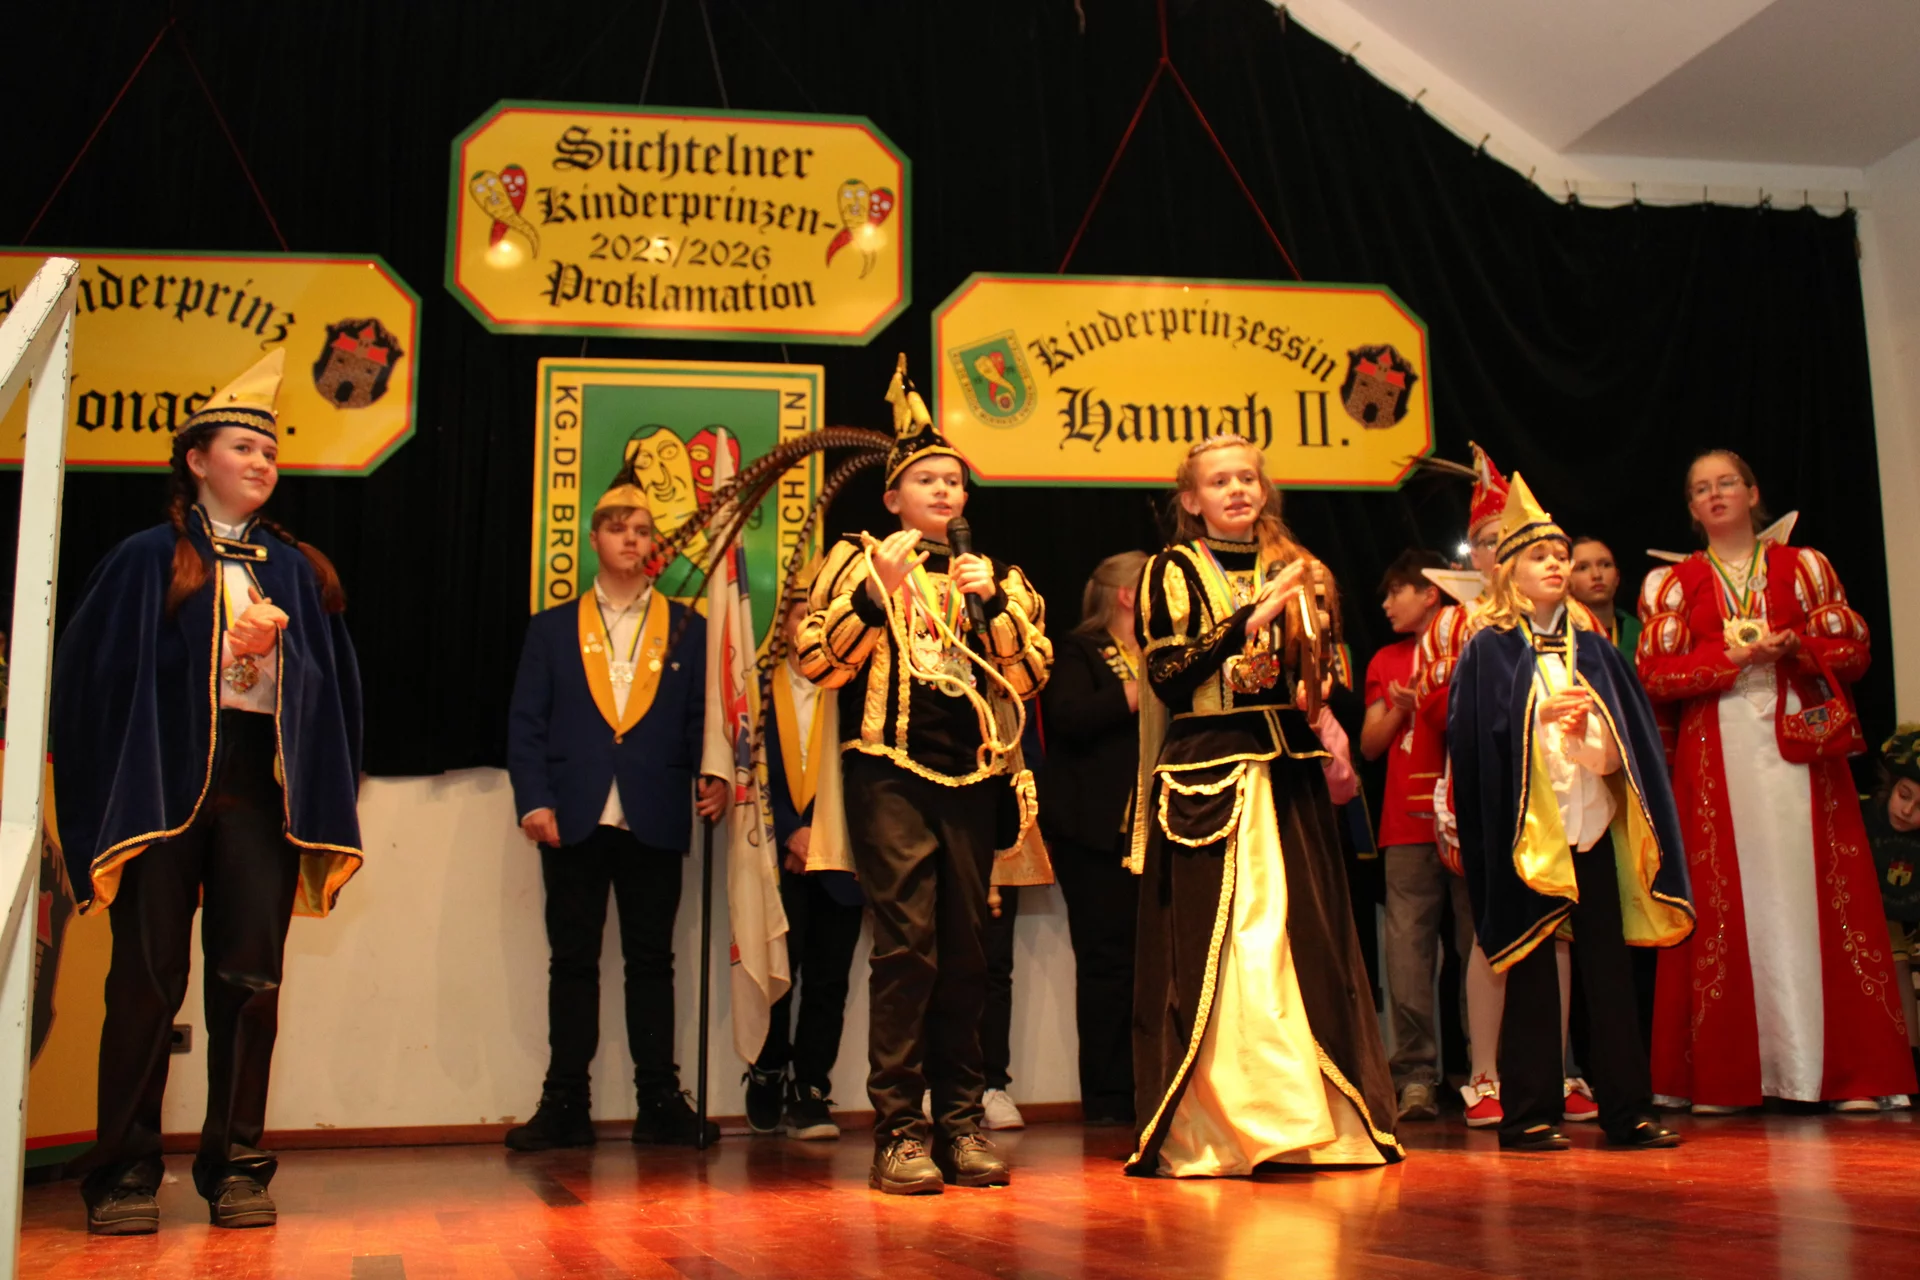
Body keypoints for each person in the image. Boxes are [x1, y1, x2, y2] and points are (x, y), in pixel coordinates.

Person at [51, 350, 363, 1234]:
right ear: (196, 460)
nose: (262, 463)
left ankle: (237, 1167)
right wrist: (227, 649)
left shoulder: (296, 567)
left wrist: (277, 657)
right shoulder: (145, 559)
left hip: (259, 790)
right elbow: (94, 679)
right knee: (146, 981)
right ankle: (123, 1172)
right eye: (242, 449)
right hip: (164, 788)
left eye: (270, 452)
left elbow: (335, 691)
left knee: (251, 982)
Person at [795, 357, 1052, 1194]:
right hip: (890, 775)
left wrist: (996, 607)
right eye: (927, 480)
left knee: (969, 953)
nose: (944, 491)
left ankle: (961, 1124)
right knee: (908, 948)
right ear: (893, 497)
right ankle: (899, 1134)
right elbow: (814, 661)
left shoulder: (996, 576)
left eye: (954, 481)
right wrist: (877, 598)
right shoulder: (857, 561)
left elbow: (1029, 677)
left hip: (972, 778)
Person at [1128, 435, 1401, 1177]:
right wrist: (1245, 622)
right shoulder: (1172, 570)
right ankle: (1231, 1125)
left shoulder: (1297, 566)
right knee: (1236, 943)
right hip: (1213, 771)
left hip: (1290, 773)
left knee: (1302, 939)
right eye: (1220, 482)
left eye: (1247, 478)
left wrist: (1314, 660)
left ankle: (1322, 1120)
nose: (1237, 490)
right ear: (1191, 500)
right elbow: (1167, 676)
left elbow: (1323, 675)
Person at [1639, 449, 1916, 1112]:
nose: (1714, 495)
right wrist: (1734, 657)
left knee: (1813, 889)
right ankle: (1731, 1074)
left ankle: (1844, 1071)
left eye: (1726, 483)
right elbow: (1655, 675)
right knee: (1732, 897)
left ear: (1752, 491)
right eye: (1700, 488)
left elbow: (1855, 652)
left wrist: (1798, 647)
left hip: (1801, 748)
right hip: (1717, 752)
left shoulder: (1805, 566)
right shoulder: (1674, 584)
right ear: (1691, 507)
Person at [1449, 474, 1692, 1151]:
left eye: (1561, 554)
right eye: (1539, 555)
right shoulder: (1488, 649)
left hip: (1590, 829)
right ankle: (1528, 1113)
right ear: (1509, 570)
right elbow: (1473, 741)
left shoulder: (1600, 650)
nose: (1556, 564)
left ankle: (1627, 1110)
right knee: (1530, 970)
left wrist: (1591, 736)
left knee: (1608, 973)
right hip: (1529, 833)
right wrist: (1535, 717)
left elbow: (1628, 750)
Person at [504, 470, 728, 1152]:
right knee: (571, 962)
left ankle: (659, 1101)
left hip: (653, 813)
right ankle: (564, 1103)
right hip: (572, 814)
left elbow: (704, 720)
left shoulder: (688, 629)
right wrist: (533, 798)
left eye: (643, 531)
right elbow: (527, 723)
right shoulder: (551, 629)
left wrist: (716, 774)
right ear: (594, 539)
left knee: (652, 961)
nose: (631, 539)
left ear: (655, 545)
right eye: (617, 528)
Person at [1413, 445, 1588, 1128]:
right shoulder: (1456, 622)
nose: (1495, 550)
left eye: (1506, 539)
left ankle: (1557, 1067)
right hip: (1490, 791)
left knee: (1560, 932)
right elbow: (1437, 710)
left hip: (1564, 792)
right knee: (1493, 930)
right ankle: (1484, 1073)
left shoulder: (1572, 619)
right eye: (1486, 540)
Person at [744, 571, 865, 1141]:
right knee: (777, 973)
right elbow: (751, 772)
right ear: (783, 624)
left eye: (823, 614)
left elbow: (863, 770)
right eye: (801, 613)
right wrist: (792, 832)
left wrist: (823, 835)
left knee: (828, 979)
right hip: (775, 857)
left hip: (840, 854)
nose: (811, 624)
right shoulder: (757, 689)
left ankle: (812, 1087)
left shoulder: (856, 687)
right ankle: (768, 1070)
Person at [1038, 550, 1150, 1127]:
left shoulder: (1165, 651)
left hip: (1159, 830)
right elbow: (1067, 718)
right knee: (1107, 965)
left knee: (1156, 966)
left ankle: (1157, 1084)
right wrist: (1135, 690)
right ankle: (1108, 1096)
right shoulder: (1079, 649)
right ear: (1128, 594)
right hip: (1097, 834)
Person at [1362, 549, 1468, 1122]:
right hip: (1405, 822)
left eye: (1395, 592)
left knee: (1479, 945)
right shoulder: (1387, 658)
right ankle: (1415, 1077)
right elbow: (1369, 745)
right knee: (1407, 952)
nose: (1385, 604)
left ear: (1429, 592)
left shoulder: (1473, 643)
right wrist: (1405, 708)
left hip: (1468, 819)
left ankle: (1486, 1071)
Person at [1865, 725, 1920, 1083]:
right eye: (1904, 795)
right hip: (1854, 917)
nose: (1908, 810)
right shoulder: (1862, 817)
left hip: (1898, 924)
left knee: (1897, 960)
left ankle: (1911, 1060)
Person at [1569, 536, 1640, 660]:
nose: (1597, 575)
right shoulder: (1561, 634)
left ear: (1617, 577)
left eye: (1606, 565)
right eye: (1582, 568)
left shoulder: (1639, 632)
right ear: (1567, 581)